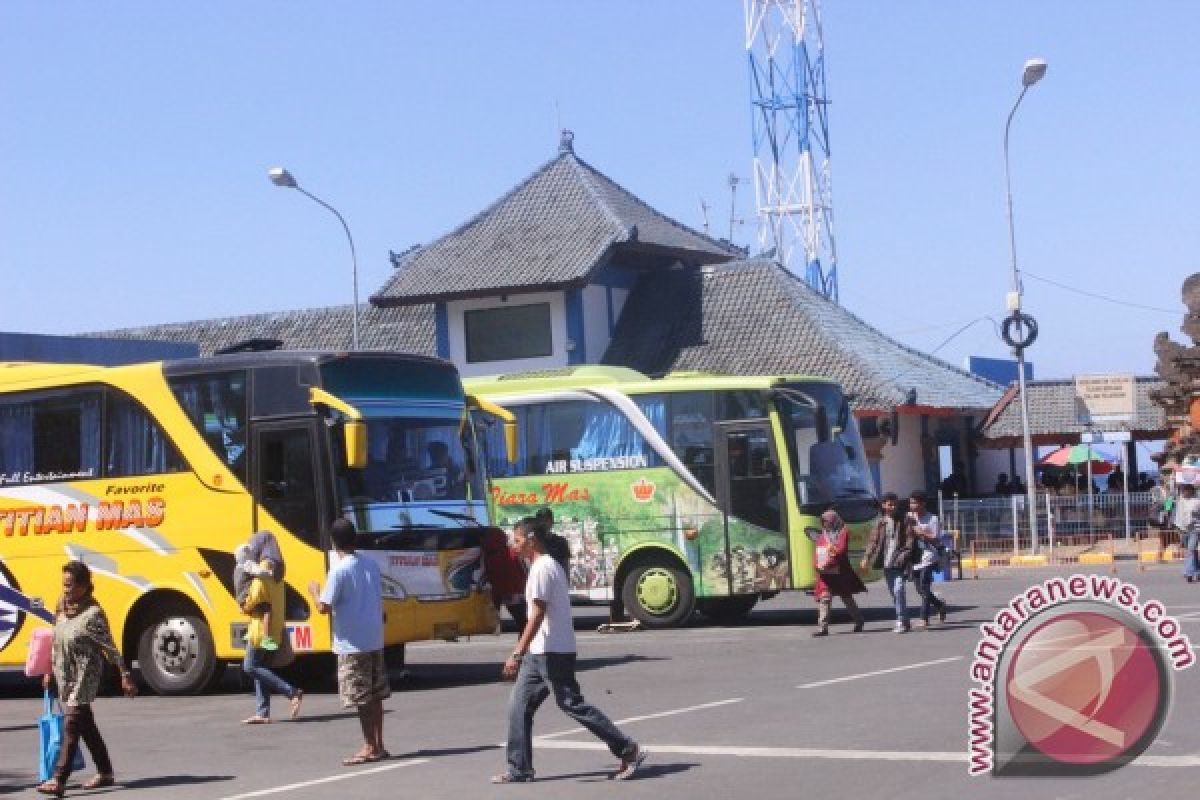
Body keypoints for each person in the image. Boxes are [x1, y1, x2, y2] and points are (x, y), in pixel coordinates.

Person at [493, 517, 646, 783]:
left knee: (571, 704)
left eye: (517, 541)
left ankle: (627, 749)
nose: (513, 546)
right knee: (518, 706)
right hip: (538, 652)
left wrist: (517, 651)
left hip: (553, 652)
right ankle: (519, 769)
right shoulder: (545, 566)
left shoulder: (542, 569)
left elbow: (537, 615)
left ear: (531, 540)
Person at [36, 561, 136, 797]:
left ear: (83, 586)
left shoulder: (93, 614)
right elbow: (55, 638)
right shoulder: (60, 605)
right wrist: (48, 670)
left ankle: (59, 779)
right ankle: (105, 772)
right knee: (86, 725)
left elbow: (110, 647)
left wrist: (125, 674)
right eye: (64, 584)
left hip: (85, 675)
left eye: (71, 585)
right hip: (65, 674)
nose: (66, 590)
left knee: (72, 724)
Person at [308, 518, 390, 766]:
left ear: (334, 543)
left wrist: (313, 590)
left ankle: (369, 746)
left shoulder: (339, 570)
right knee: (375, 696)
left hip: (352, 643)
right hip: (373, 638)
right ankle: (379, 744)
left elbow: (324, 607)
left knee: (362, 698)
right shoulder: (370, 565)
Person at [239, 531, 303, 724]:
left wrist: (246, 604)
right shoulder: (278, 570)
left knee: (250, 666)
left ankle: (291, 692)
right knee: (261, 666)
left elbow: (257, 592)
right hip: (273, 626)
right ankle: (262, 712)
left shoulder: (265, 566)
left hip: (260, 628)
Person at [861, 493, 913, 633]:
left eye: (895, 504)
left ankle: (900, 621)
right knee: (895, 593)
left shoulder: (904, 520)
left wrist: (905, 554)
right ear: (884, 505)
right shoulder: (881, 522)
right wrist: (867, 557)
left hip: (900, 561)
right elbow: (873, 541)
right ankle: (905, 620)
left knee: (899, 589)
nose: (893, 507)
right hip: (887, 563)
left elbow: (910, 540)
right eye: (890, 504)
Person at [809, 509, 866, 637]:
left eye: (827, 521)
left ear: (834, 521)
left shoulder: (843, 532)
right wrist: (816, 564)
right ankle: (822, 627)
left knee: (846, 597)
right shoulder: (823, 534)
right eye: (823, 522)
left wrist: (829, 562)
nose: (825, 524)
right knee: (824, 598)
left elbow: (840, 550)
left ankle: (859, 621)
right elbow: (818, 550)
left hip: (840, 571)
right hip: (825, 573)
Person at [907, 491, 948, 628]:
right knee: (920, 589)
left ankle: (924, 618)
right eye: (911, 502)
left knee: (924, 587)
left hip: (929, 556)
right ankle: (939, 605)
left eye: (915, 503)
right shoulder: (909, 517)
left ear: (923, 503)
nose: (913, 506)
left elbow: (936, 537)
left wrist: (922, 532)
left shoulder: (932, 519)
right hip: (915, 557)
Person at [1174, 482, 1200, 582]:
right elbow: (1178, 515)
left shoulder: (1197, 501)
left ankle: (1188, 573)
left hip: (1195, 530)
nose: (1184, 492)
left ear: (1191, 491)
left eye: (1186, 490)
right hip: (1183, 530)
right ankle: (1197, 572)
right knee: (1192, 552)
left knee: (1190, 550)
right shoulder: (1180, 501)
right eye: (1183, 491)